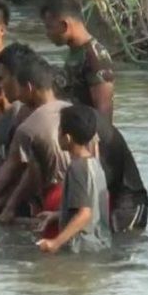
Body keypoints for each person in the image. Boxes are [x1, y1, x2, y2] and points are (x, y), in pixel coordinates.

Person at [0, 56, 71, 238]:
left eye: (17, 87)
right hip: (82, 193)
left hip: (55, 195)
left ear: (28, 88)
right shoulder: (71, 110)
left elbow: (17, 169)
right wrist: (7, 205)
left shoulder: (29, 126)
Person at [37, 105, 111, 253]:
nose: (57, 134)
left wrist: (55, 243)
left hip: (83, 248)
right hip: (100, 245)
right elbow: (92, 206)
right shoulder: (95, 164)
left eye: (59, 130)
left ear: (67, 138)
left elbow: (85, 214)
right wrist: (58, 215)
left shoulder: (77, 168)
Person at [40, 0, 115, 122]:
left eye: (49, 27)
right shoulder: (75, 52)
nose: (47, 34)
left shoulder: (95, 57)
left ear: (64, 25)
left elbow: (104, 114)